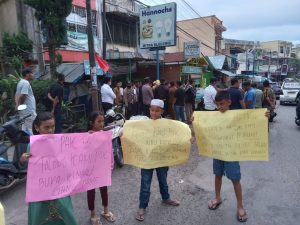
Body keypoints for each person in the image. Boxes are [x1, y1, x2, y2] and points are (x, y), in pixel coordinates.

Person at [20, 112, 78, 225]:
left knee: (65, 213)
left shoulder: (60, 142)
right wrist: (22, 159)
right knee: (40, 216)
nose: (50, 130)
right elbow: (28, 166)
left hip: (59, 188)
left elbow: (75, 153)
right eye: (46, 127)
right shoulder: (32, 146)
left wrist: (92, 137)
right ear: (37, 128)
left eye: (53, 126)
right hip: (40, 191)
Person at [134, 99, 180, 221]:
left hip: (162, 158)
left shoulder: (167, 124)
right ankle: (142, 206)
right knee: (145, 183)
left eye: (157, 111)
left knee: (163, 179)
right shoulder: (144, 123)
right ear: (149, 110)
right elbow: (132, 132)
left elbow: (177, 135)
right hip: (147, 159)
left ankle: (166, 198)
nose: (154, 113)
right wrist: (124, 134)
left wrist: (188, 138)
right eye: (152, 110)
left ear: (162, 111)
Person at [208, 91, 247, 223]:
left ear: (229, 102)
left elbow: (251, 122)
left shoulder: (237, 116)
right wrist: (195, 121)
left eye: (222, 104)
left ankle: (240, 205)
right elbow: (206, 127)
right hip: (218, 151)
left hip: (232, 152)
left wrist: (264, 116)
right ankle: (217, 197)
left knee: (235, 179)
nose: (220, 107)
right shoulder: (214, 116)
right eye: (218, 104)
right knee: (217, 175)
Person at [87, 111, 115, 225]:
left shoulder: (104, 134)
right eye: (99, 121)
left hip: (102, 168)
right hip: (91, 169)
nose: (101, 123)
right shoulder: (87, 136)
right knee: (91, 191)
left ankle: (106, 210)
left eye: (102, 121)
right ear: (91, 123)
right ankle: (93, 214)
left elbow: (109, 151)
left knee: (104, 190)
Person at [15, 67, 37, 134]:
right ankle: (32, 144)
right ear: (28, 74)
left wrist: (17, 106)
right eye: (32, 73)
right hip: (28, 111)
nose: (33, 75)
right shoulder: (26, 83)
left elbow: (16, 95)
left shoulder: (20, 82)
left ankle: (26, 144)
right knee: (32, 129)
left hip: (24, 112)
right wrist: (19, 105)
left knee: (25, 130)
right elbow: (23, 95)